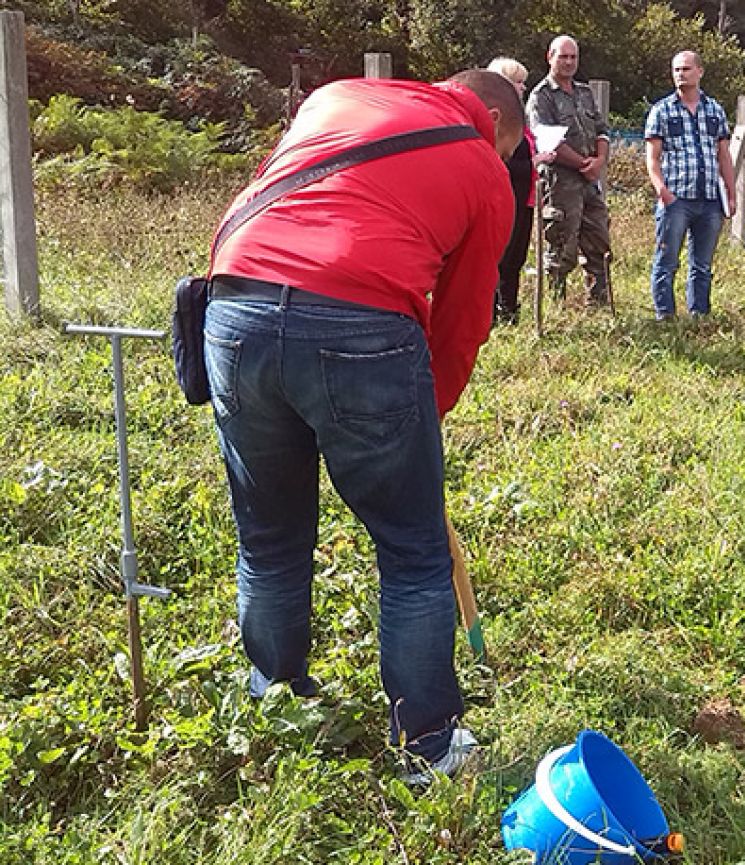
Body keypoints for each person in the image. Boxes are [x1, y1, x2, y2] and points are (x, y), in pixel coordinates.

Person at [203, 70, 523, 782]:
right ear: (499, 122)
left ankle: (275, 707)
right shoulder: (481, 168)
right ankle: (428, 747)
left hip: (232, 312)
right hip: (360, 324)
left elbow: (269, 199)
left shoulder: (334, 95)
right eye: (509, 148)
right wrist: (416, 421)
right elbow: (464, 319)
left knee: (269, 535)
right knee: (412, 554)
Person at [644, 50, 737, 320]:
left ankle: (699, 316)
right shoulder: (661, 110)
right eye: (676, 70)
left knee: (702, 265)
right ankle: (665, 316)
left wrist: (731, 194)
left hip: (709, 199)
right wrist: (662, 191)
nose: (680, 74)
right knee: (667, 261)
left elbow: (724, 155)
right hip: (676, 199)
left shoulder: (714, 109)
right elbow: (652, 157)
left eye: (685, 69)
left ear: (699, 71)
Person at [525, 35, 612, 305]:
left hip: (590, 180)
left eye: (573, 57)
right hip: (560, 182)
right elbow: (548, 140)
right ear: (549, 57)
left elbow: (602, 130)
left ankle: (597, 303)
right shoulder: (542, 96)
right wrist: (582, 164)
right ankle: (555, 306)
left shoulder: (584, 93)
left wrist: (598, 162)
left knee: (598, 242)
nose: (569, 62)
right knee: (561, 247)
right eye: (563, 56)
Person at [487, 57, 555, 326]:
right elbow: (501, 162)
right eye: (518, 83)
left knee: (515, 258)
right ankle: (492, 313)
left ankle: (509, 312)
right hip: (506, 197)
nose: (523, 88)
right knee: (499, 258)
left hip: (523, 198)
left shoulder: (519, 119)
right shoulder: (495, 118)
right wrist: (535, 162)